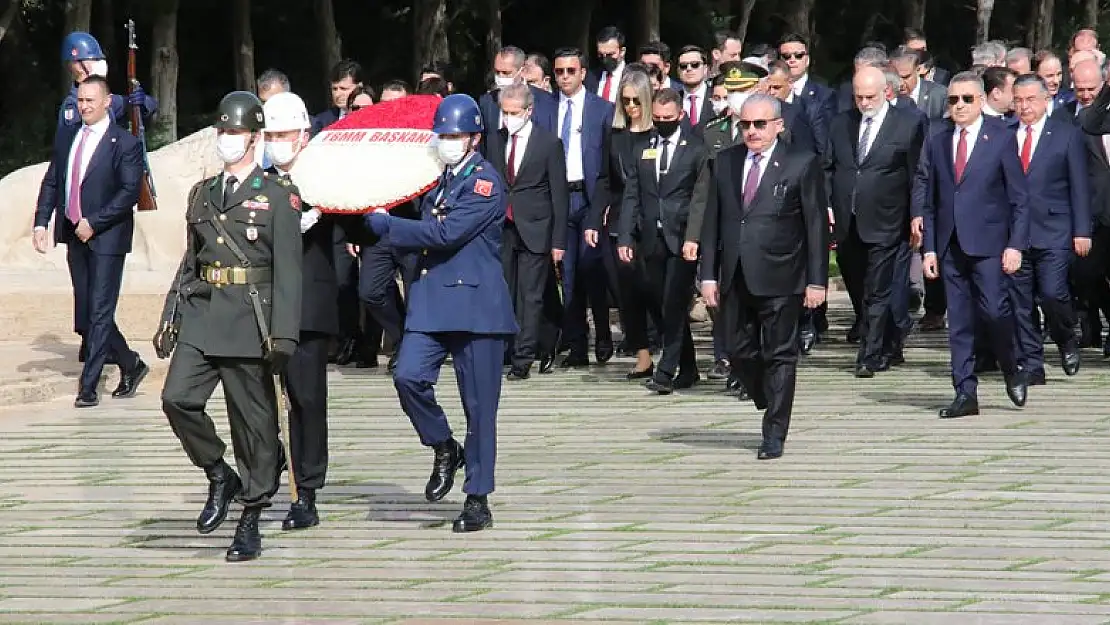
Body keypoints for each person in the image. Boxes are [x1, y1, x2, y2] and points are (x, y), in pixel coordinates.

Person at [156, 91, 303, 561]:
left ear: (255, 137)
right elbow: (191, 262)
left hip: (250, 317)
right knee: (176, 398)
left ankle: (252, 515)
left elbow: (289, 271)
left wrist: (284, 334)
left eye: (236, 132)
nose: (227, 139)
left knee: (253, 425)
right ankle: (220, 473)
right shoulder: (203, 193)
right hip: (203, 312)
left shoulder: (278, 196)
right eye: (222, 131)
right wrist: (171, 315)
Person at [364, 94, 518, 533]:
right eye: (442, 135)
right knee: (408, 375)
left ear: (474, 138)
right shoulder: (437, 179)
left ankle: (477, 497)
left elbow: (447, 231)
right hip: (432, 302)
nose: (446, 142)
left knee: (479, 408)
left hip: (475, 308)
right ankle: (443, 444)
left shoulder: (485, 182)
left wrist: (388, 227)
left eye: (454, 135)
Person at [699, 94, 829, 460]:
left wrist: (816, 280)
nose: (752, 132)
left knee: (780, 353)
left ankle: (774, 432)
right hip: (735, 274)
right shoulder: (725, 161)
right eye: (746, 125)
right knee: (737, 349)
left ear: (778, 125)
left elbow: (816, 224)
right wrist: (708, 274)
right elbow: (712, 221)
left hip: (783, 274)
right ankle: (765, 394)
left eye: (760, 124)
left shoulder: (801, 163)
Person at [912, 72, 1030, 418]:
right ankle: (965, 391)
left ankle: (1012, 366)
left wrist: (1015, 244)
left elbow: (1019, 198)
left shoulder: (1001, 138)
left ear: (980, 101)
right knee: (960, 321)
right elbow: (931, 199)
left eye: (965, 99)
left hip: (991, 242)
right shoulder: (937, 137)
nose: (958, 106)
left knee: (994, 310)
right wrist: (929, 249)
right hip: (950, 244)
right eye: (952, 100)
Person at [34, 75, 149, 408]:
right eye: (80, 100)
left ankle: (88, 387)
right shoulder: (68, 136)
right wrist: (42, 221)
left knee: (100, 310)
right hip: (74, 235)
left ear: (107, 102)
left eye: (90, 100)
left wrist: (94, 223)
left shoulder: (124, 143)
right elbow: (53, 181)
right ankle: (130, 363)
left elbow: (129, 192)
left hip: (107, 238)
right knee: (87, 311)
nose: (84, 106)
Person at [262, 91, 339, 531]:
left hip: (309, 304)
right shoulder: (259, 178)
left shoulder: (324, 179)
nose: (275, 141)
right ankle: (266, 470)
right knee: (259, 400)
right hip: (263, 303)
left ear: (304, 135)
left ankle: (306, 489)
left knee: (307, 400)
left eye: (283, 134)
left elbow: (359, 227)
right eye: (269, 134)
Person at [56, 32, 156, 364]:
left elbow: (139, 110)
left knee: (96, 301)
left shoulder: (101, 98)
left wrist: (143, 103)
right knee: (89, 301)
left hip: (106, 214)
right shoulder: (75, 107)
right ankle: (117, 356)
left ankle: (114, 357)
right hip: (82, 212)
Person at [826, 66, 925, 377]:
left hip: (888, 219)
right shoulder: (841, 123)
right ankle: (891, 340)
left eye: (870, 96)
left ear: (887, 93)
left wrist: (916, 214)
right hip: (847, 220)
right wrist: (828, 203)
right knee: (858, 285)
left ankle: (869, 353)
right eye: (859, 97)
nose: (864, 103)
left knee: (878, 289)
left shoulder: (908, 125)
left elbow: (917, 174)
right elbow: (828, 167)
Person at [617, 87, 709, 395]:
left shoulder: (696, 148)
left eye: (668, 118)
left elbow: (700, 197)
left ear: (680, 116)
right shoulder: (644, 147)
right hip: (651, 237)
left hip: (682, 236)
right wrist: (626, 235)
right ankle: (689, 367)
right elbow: (633, 193)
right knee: (659, 303)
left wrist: (694, 236)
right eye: (657, 118)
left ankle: (666, 370)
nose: (662, 122)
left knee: (674, 302)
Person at [485, 83, 569, 379]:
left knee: (530, 296)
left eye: (514, 113)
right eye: (504, 113)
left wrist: (559, 240)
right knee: (504, 291)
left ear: (529, 111)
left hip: (536, 227)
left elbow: (560, 195)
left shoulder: (548, 144)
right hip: (503, 227)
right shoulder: (494, 141)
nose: (509, 118)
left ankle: (524, 358)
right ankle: (506, 349)